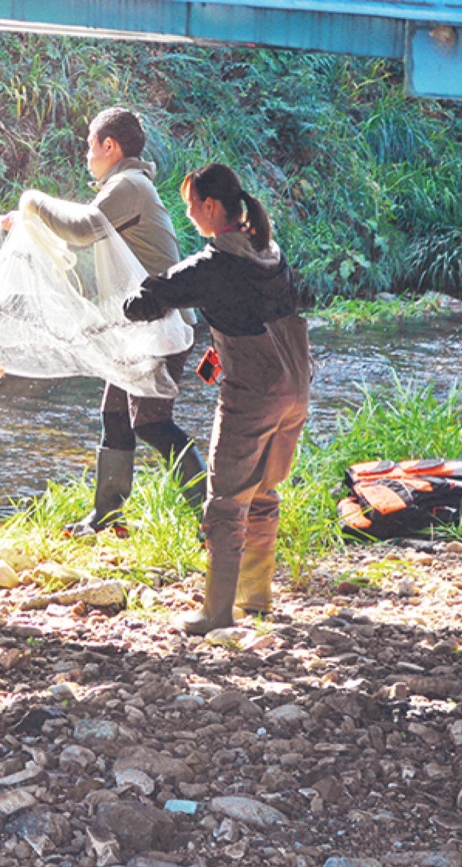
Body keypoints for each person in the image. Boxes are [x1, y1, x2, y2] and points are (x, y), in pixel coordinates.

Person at [124, 163, 311, 635]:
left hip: (254, 393)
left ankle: (216, 614)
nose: (188, 215)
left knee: (226, 500)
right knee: (264, 491)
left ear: (209, 206)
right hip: (297, 387)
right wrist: (215, 353)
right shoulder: (268, 249)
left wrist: (118, 290)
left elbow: (144, 301)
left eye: (189, 206)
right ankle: (257, 600)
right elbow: (257, 312)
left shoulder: (212, 265)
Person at [10, 107, 205, 536]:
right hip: (141, 329)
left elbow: (80, 229)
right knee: (115, 417)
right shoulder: (127, 186)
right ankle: (107, 516)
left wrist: (33, 200)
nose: (87, 155)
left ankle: (212, 514)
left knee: (150, 422)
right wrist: (23, 222)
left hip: (161, 327)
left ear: (110, 147)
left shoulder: (129, 185)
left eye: (89, 146)